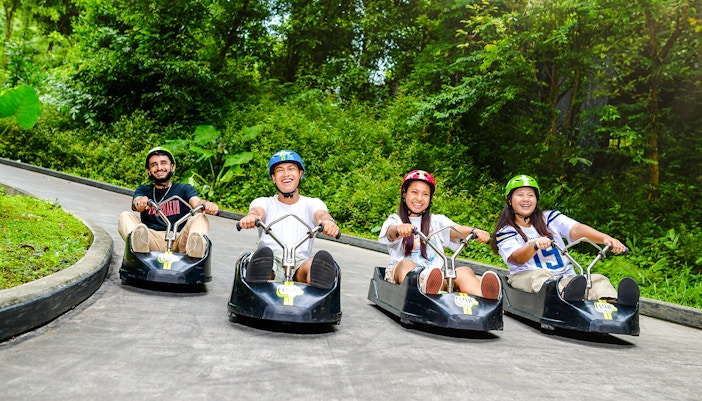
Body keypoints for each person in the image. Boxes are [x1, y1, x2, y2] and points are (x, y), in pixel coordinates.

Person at [491, 174, 639, 305]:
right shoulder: (506, 231)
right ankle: (565, 299)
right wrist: (534, 245)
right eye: (520, 195)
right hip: (526, 277)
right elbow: (516, 258)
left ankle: (613, 304)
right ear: (510, 200)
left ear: (536, 199)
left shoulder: (549, 218)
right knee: (542, 278)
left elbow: (576, 230)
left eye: (530, 195)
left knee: (596, 279)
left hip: (565, 278)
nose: (526, 199)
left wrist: (606, 239)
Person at [378, 170, 501, 298]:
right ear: (404, 193)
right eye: (414, 192)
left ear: (430, 198)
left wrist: (474, 231)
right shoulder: (395, 220)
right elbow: (390, 232)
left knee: (464, 271)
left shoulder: (436, 221)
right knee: (406, 265)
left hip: (435, 278)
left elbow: (456, 229)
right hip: (402, 276)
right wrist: (399, 229)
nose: (419, 198)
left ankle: (485, 297)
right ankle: (422, 290)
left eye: (425, 194)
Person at [237, 150, 340, 289]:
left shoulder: (312, 203)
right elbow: (257, 211)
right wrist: (252, 217)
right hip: (269, 258)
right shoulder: (264, 202)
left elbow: (321, 214)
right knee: (263, 261)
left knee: (315, 264)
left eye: (291, 169)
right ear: (273, 177)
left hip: (299, 262)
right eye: (280, 170)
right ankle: (259, 283)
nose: (286, 174)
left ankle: (317, 288)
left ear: (300, 174)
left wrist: (329, 222)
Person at [117, 146, 219, 258]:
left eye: (163, 163)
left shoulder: (184, 189)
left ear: (172, 167)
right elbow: (137, 204)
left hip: (181, 240)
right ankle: (139, 251)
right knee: (125, 216)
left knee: (200, 217)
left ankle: (195, 251)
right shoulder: (144, 190)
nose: (159, 167)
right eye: (154, 165)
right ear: (148, 171)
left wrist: (205, 205)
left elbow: (196, 204)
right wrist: (141, 202)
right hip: (150, 239)